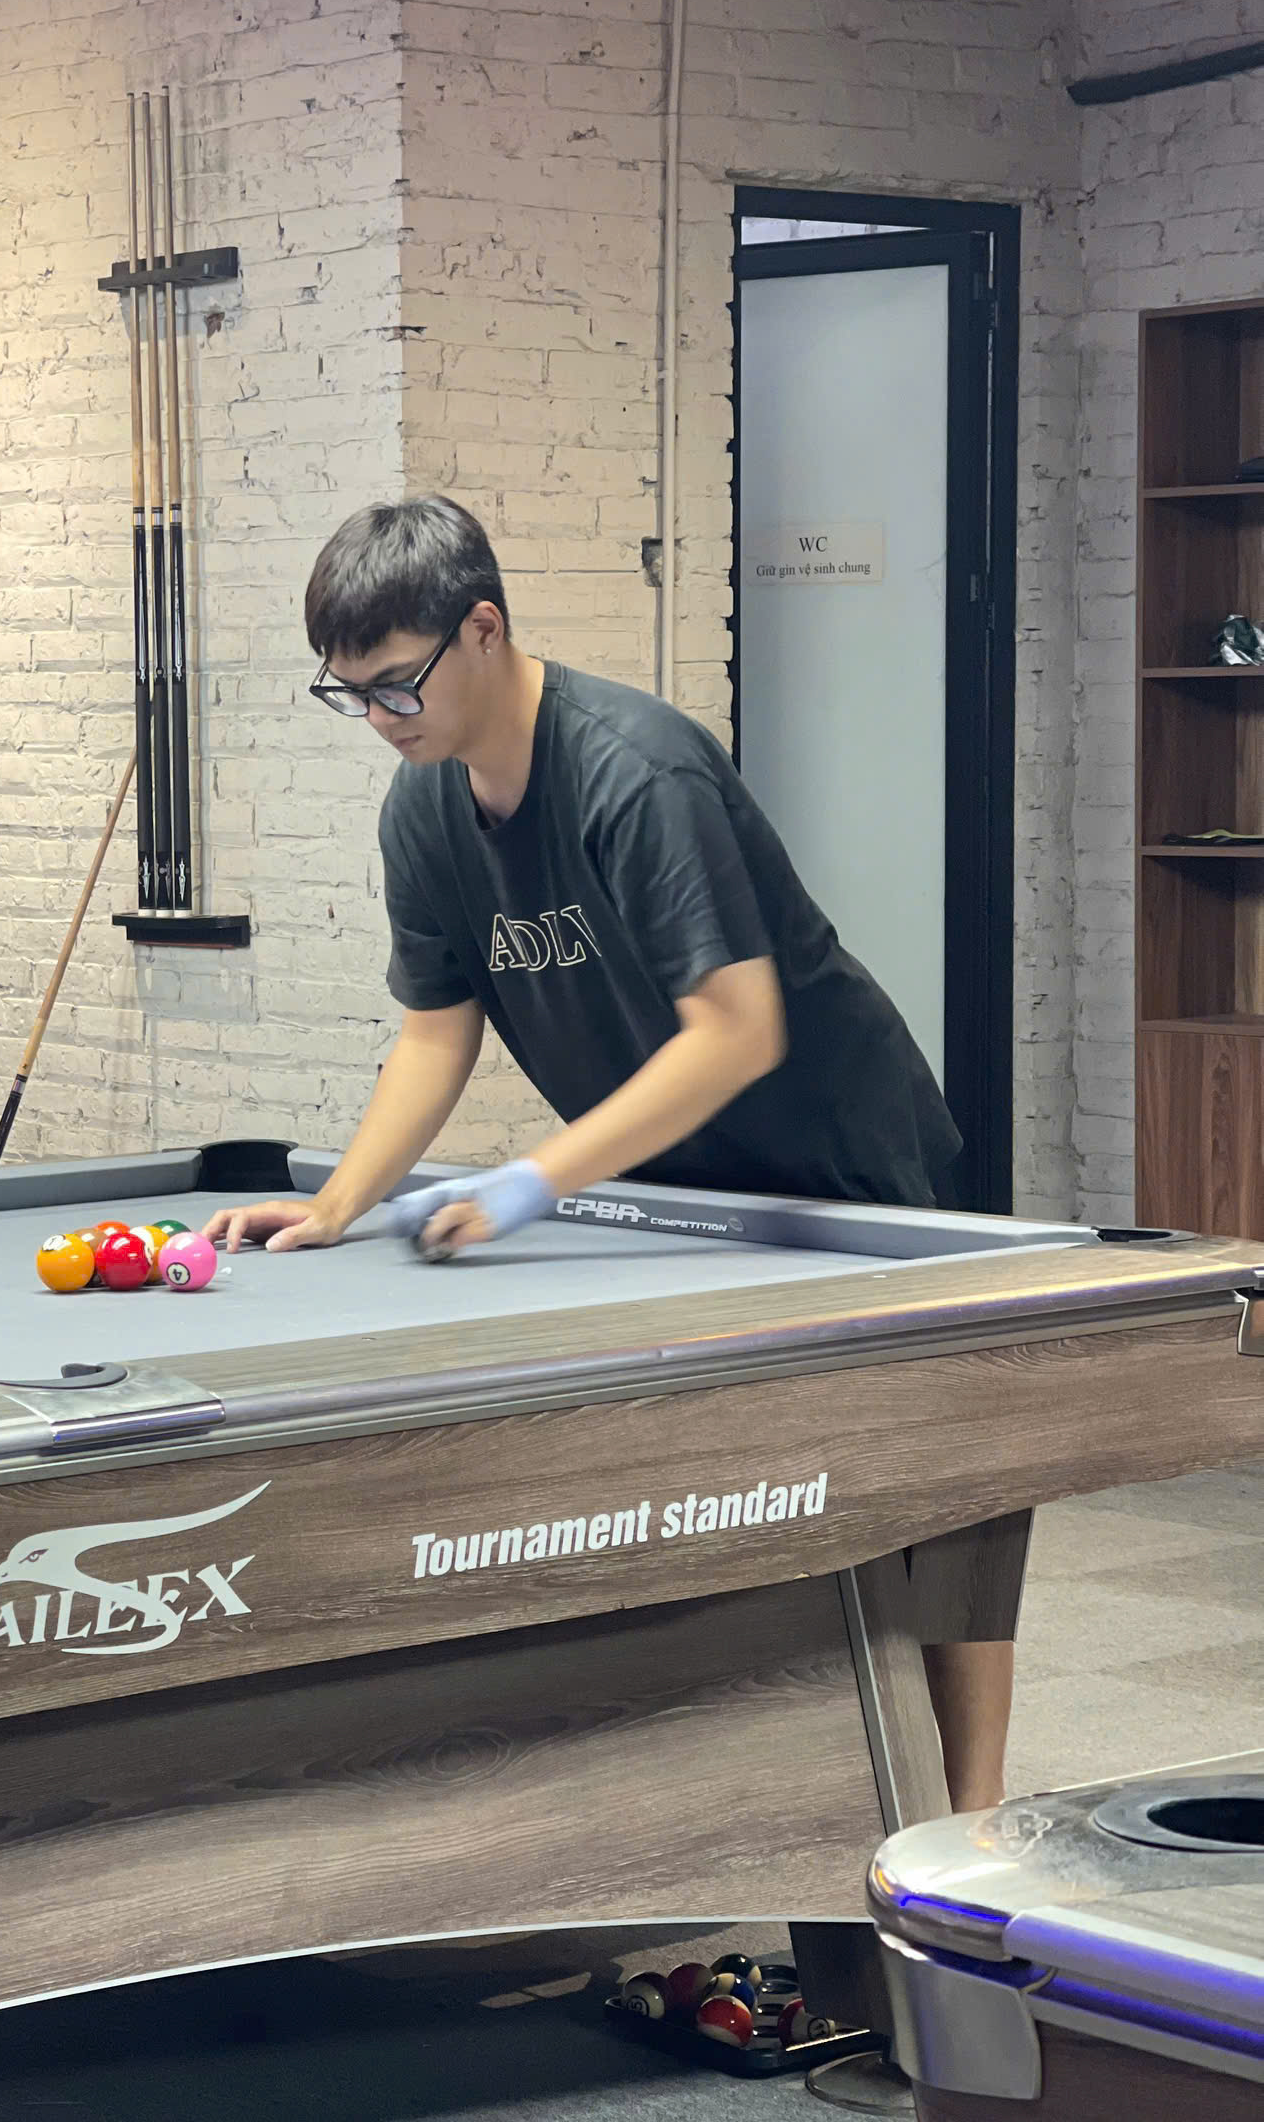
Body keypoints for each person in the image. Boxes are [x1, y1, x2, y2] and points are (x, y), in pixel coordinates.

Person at [205, 495, 1009, 1810]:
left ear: (482, 630)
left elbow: (737, 1031)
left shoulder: (638, 774)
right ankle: (773, 1804)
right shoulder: (421, 812)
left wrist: (531, 1182)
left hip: (853, 1177)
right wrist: (339, 1203)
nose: (380, 719)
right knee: (749, 1509)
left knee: (939, 1514)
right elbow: (434, 1033)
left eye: (396, 684)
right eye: (349, 694)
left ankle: (968, 1822)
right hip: (687, 1193)